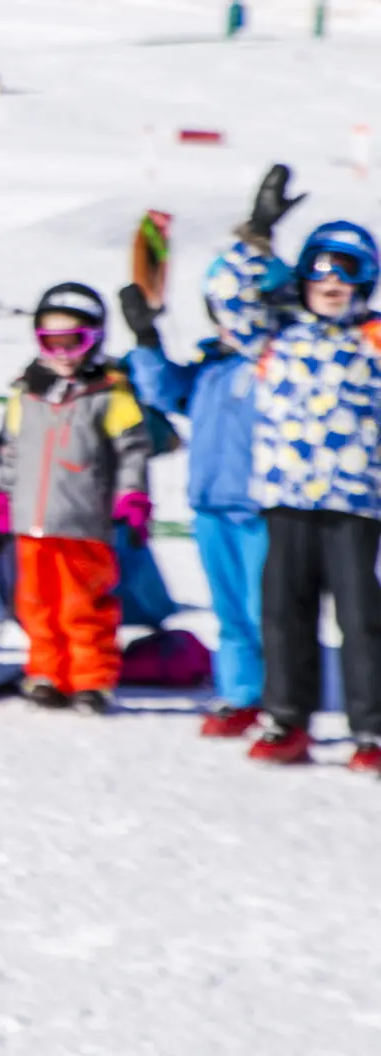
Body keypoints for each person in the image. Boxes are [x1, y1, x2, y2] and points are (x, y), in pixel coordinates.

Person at [207, 165, 381, 770]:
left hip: (354, 504)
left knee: (362, 621)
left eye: (348, 271)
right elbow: (226, 296)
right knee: (284, 614)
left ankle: (371, 728)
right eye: (320, 269)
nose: (332, 283)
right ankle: (287, 716)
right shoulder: (276, 335)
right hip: (286, 499)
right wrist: (257, 233)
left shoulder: (373, 340)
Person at [0, 283, 152, 714]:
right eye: (50, 342)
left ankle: (90, 678)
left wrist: (132, 496)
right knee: (36, 602)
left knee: (84, 604)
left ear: (95, 339)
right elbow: (11, 449)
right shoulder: (26, 393)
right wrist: (2, 501)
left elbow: (132, 449)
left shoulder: (109, 394)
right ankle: (46, 673)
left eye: (73, 342)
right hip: (32, 519)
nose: (61, 353)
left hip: (83, 519)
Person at [121, 273, 265, 737]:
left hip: (263, 507)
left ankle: (282, 700)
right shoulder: (211, 368)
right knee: (230, 613)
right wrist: (147, 338)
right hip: (209, 505)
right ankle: (240, 695)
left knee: (266, 610)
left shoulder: (272, 364)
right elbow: (162, 390)